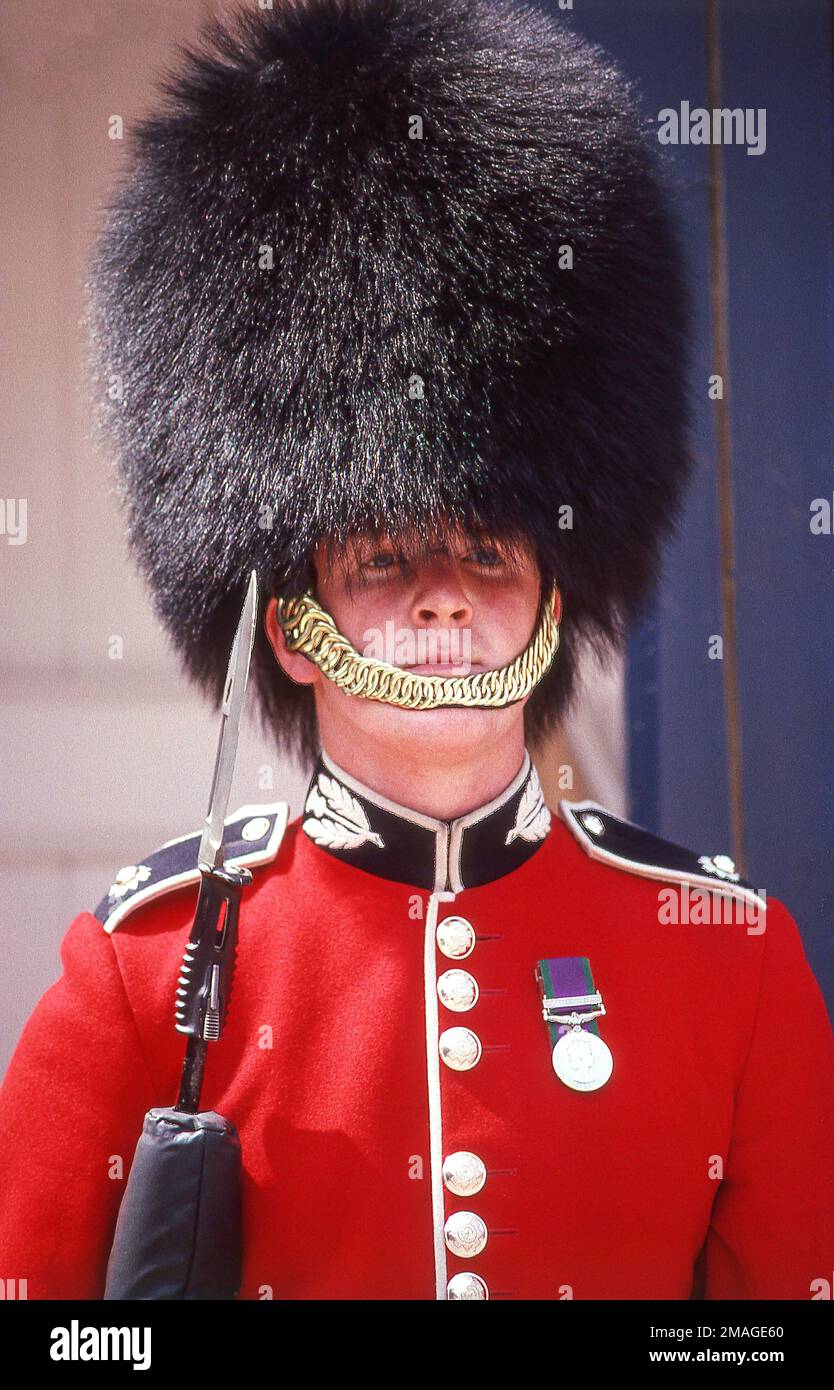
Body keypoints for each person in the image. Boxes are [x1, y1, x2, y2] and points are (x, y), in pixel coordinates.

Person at [1, 0, 831, 1301]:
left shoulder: (727, 955)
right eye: (384, 558)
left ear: (558, 597)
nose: (446, 599)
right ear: (290, 626)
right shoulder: (137, 970)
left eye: (491, 552)